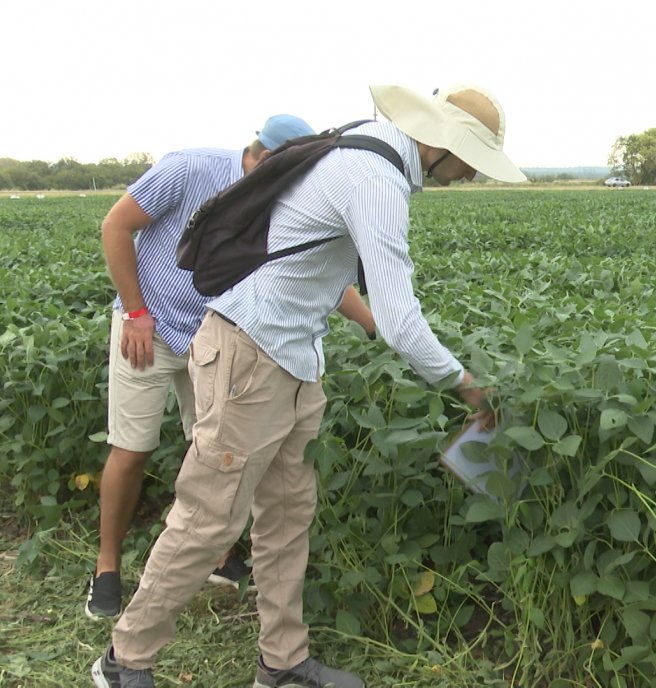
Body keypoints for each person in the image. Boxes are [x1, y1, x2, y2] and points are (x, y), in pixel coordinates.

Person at [91, 84, 524, 688]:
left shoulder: (365, 152)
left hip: (294, 360)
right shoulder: (374, 176)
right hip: (249, 357)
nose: (472, 176)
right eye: (471, 161)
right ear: (439, 144)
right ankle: (123, 661)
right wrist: (466, 386)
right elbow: (400, 317)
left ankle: (283, 663)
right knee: (209, 518)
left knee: (287, 517)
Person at [85, 114, 367, 621]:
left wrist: (374, 323)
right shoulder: (190, 169)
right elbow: (116, 225)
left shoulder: (281, 200)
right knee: (131, 449)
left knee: (215, 454)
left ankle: (217, 557)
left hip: (217, 341)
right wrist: (135, 313)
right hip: (145, 327)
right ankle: (107, 568)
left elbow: (314, 273)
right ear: (264, 157)